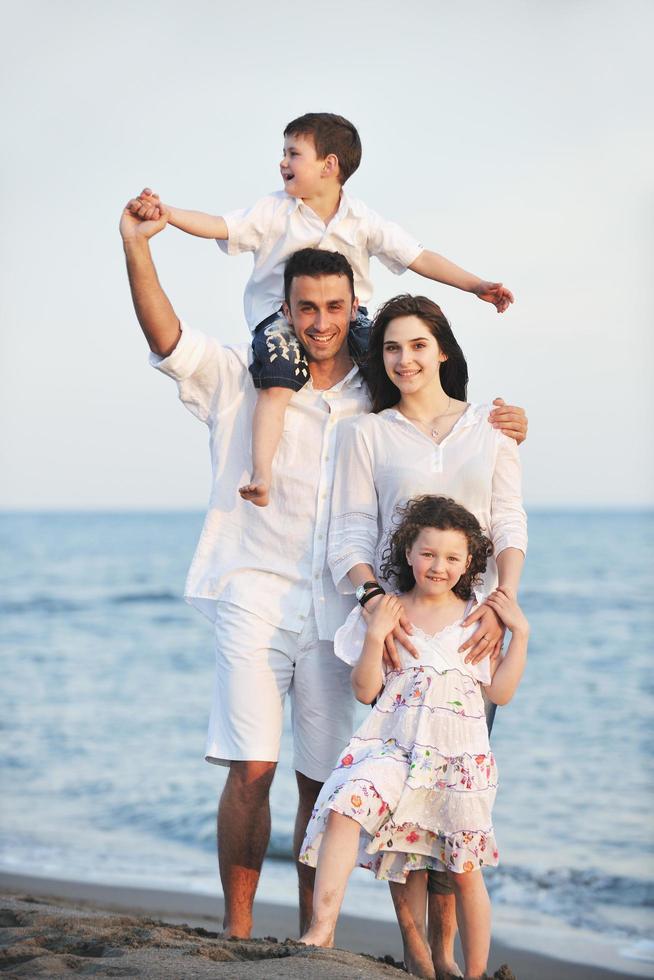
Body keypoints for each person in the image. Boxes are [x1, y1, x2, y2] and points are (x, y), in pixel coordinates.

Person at [120, 197, 527, 939]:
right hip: (255, 591)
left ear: (352, 306)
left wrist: (506, 425)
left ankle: (314, 937)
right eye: (305, 307)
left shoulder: (376, 397)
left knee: (325, 777)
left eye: (335, 306)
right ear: (286, 305)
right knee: (251, 767)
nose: (320, 321)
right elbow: (169, 340)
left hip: (343, 614)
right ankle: (238, 934)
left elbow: (439, 447)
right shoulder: (246, 379)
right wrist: (139, 248)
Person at [127, 111, 514, 508]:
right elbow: (218, 225)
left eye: (293, 154)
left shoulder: (361, 219)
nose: (282, 162)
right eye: (284, 153)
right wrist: (169, 215)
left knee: (393, 375)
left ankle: (438, 438)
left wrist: (476, 285)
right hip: (277, 321)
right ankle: (262, 472)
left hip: (354, 321)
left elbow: (418, 256)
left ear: (329, 165)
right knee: (277, 385)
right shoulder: (273, 211)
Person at [328, 294, 528, 976]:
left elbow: (509, 523)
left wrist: (504, 604)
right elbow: (350, 534)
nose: (404, 359)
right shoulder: (366, 434)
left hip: (472, 636)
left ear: (442, 348)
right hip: (402, 631)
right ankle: (417, 951)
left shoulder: (493, 429)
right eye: (390, 348)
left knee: (456, 801)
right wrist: (375, 605)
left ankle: (449, 957)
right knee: (399, 802)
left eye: (416, 344)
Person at [299, 495, 529, 980]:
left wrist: (520, 636)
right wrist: (374, 635)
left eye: (451, 557)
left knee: (465, 872)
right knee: (345, 805)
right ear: (407, 553)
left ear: (470, 563)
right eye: (427, 554)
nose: (438, 566)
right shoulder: (388, 611)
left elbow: (501, 693)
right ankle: (321, 930)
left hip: (458, 762)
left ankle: (476, 973)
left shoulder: (478, 621)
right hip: (392, 749)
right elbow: (365, 691)